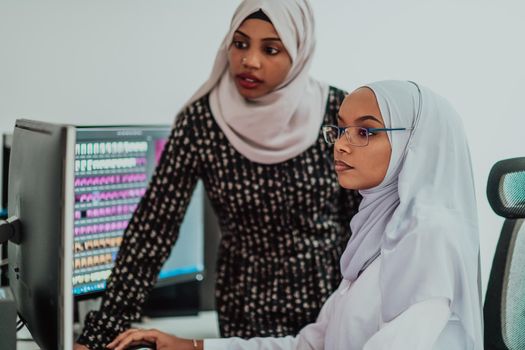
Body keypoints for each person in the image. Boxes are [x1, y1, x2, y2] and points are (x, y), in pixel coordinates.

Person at [106, 80, 484, 350]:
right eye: (339, 129)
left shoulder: (429, 235)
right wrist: (194, 347)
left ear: (413, 144)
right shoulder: (378, 231)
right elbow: (312, 343)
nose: (341, 145)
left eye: (365, 132)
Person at [75, 1, 361, 349]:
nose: (249, 60)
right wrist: (101, 332)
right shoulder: (202, 122)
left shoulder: (337, 113)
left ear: (299, 53)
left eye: (270, 49)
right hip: (242, 306)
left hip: (327, 304)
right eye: (240, 44)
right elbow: (152, 229)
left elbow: (363, 223)